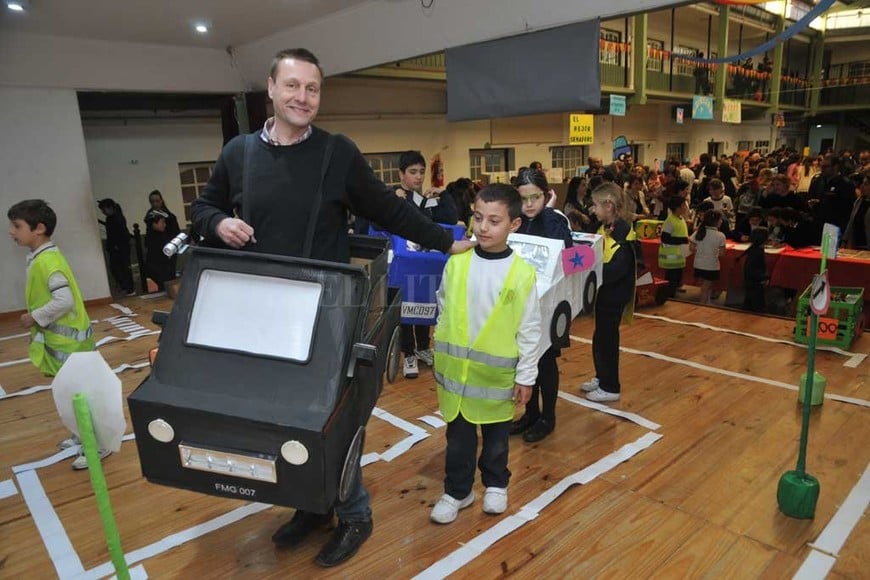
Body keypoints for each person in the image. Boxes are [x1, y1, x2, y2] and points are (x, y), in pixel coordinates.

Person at [190, 48, 473, 568]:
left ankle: (355, 513)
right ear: (270, 89)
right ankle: (312, 504)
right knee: (283, 419)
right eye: (292, 85)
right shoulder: (239, 153)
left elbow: (387, 208)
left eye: (312, 88)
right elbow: (203, 207)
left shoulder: (336, 152)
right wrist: (218, 223)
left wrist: (443, 240)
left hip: (327, 314)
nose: (302, 97)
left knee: (332, 420)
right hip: (263, 315)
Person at [429, 183, 542, 524]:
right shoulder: (457, 263)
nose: (482, 227)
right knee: (458, 441)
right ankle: (457, 491)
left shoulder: (522, 274)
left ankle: (496, 484)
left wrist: (526, 376)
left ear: (514, 225)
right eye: (478, 218)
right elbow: (444, 305)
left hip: (496, 379)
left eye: (494, 221)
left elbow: (530, 329)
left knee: (496, 439)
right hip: (456, 376)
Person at [7, 199, 110, 471]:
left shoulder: (48, 260)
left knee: (80, 395)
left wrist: (34, 317)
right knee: (69, 393)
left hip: (71, 346)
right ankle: (81, 434)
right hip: (63, 344)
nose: (11, 232)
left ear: (39, 228)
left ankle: (97, 444)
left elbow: (63, 301)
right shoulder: (42, 257)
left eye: (17, 226)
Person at [510, 168, 571, 443]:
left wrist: (548, 212)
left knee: (546, 362)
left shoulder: (555, 219)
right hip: (522, 304)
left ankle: (548, 417)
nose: (529, 204)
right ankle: (531, 413)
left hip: (549, 305)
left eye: (535, 197)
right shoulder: (516, 220)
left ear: (546, 195)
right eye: (523, 199)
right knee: (526, 360)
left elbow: (567, 252)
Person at [391, 150, 458, 378]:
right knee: (404, 310)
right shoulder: (392, 197)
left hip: (425, 264)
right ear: (401, 174)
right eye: (413, 172)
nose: (418, 176)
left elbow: (450, 219)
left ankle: (422, 348)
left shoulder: (426, 200)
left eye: (421, 171)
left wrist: (443, 195)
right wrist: (394, 198)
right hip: (402, 266)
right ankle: (408, 353)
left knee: (424, 305)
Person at [579, 183, 637, 403]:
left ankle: (611, 386)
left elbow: (617, 269)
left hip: (614, 295)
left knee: (608, 340)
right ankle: (602, 376)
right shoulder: (602, 228)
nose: (592, 210)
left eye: (595, 205)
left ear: (609, 205)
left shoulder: (623, 234)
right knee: (599, 338)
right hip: (602, 294)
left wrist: (590, 271)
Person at [144, 190, 181, 290]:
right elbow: (152, 228)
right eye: (152, 202)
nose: (155, 204)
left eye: (157, 201)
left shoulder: (169, 216)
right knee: (157, 274)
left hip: (168, 248)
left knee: (168, 277)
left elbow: (174, 232)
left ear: (161, 201)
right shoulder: (150, 215)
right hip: (155, 250)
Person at [97, 198, 135, 296]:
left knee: (122, 268)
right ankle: (126, 287)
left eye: (104, 209)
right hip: (117, 246)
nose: (103, 212)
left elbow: (119, 234)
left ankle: (128, 288)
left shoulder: (116, 218)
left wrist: (116, 246)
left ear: (110, 208)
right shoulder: (114, 217)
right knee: (118, 268)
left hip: (119, 247)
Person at [689, 209, 726, 305]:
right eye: (720, 219)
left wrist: (701, 253)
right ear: (716, 221)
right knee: (706, 287)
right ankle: (703, 305)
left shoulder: (698, 232)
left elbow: (691, 248)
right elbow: (722, 253)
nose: (721, 221)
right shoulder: (720, 235)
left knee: (704, 286)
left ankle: (706, 302)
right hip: (711, 265)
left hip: (698, 264)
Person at [658, 193, 690, 299]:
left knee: (677, 277)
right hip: (671, 258)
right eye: (684, 205)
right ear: (677, 208)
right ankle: (669, 296)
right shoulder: (670, 221)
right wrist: (683, 240)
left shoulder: (680, 219)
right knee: (671, 278)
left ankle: (674, 290)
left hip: (678, 257)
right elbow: (665, 238)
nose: (686, 207)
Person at [742, 227, 769, 313]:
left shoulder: (754, 249)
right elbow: (754, 268)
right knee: (757, 305)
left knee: (750, 301)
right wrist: (763, 278)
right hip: (755, 280)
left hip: (752, 279)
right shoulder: (757, 251)